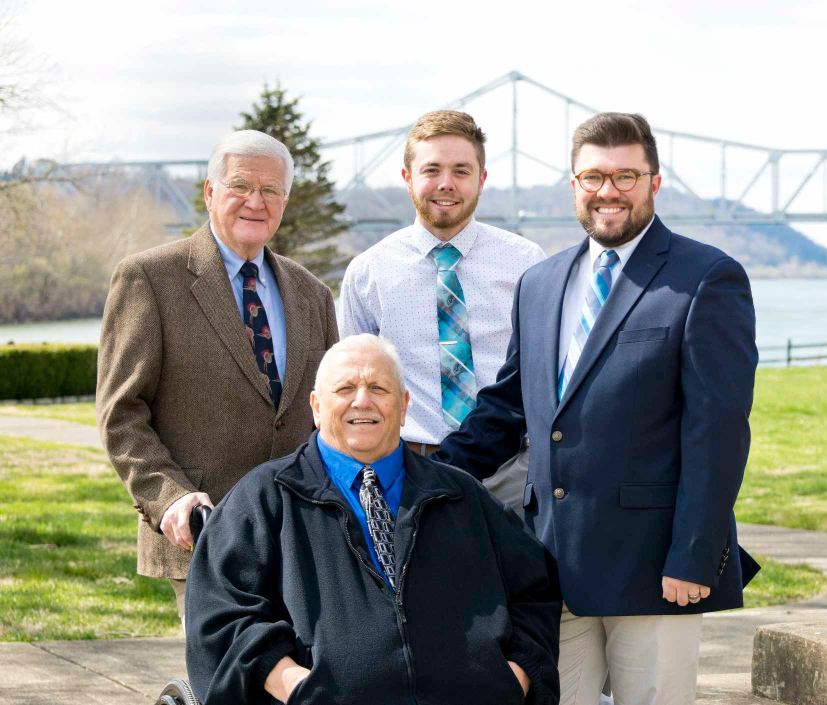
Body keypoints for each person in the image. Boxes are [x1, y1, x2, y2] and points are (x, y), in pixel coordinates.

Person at [436, 113, 760, 705]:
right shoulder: (540, 282)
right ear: (573, 185)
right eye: (593, 177)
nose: (608, 191)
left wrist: (694, 554)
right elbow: (507, 408)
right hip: (550, 563)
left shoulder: (707, 278)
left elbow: (717, 431)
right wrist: (425, 476)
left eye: (625, 176)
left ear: (654, 184)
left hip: (655, 568)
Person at [185, 335, 561, 705]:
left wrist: (514, 678)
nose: (362, 401)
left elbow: (533, 588)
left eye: (379, 388)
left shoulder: (461, 495)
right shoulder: (266, 497)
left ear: (403, 407)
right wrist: (297, 687)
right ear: (316, 407)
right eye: (345, 388)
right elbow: (223, 610)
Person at [96, 129, 339, 621]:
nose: (255, 201)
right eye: (240, 185)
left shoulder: (312, 294)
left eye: (270, 190)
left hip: (302, 538)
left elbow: (328, 417)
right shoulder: (149, 279)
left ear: (285, 202)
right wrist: (169, 500)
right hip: (201, 534)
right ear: (210, 192)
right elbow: (121, 414)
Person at [339, 110, 545, 513]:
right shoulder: (367, 273)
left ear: (481, 180)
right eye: (431, 169)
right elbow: (351, 388)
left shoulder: (527, 264)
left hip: (512, 473)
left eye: (461, 171)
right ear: (407, 178)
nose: (446, 184)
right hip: (408, 471)